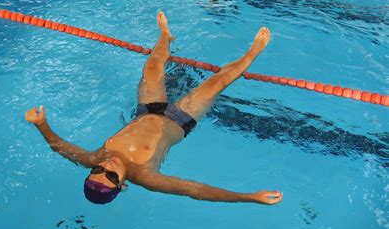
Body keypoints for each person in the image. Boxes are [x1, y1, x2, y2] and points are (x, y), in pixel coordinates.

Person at [25, 12, 283, 206]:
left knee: (151, 69)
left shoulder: (96, 158)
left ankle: (165, 37)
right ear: (123, 185)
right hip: (180, 120)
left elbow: (61, 148)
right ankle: (252, 53)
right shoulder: (146, 176)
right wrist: (249, 197)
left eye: (97, 171)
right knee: (216, 82)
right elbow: (195, 190)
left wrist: (41, 125)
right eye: (111, 175)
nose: (106, 166)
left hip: (146, 111)